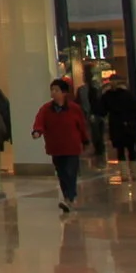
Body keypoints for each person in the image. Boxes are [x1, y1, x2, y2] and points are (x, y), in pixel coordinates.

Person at [30, 79, 90, 215]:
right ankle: (67, 197)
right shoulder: (46, 109)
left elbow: (81, 126)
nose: (53, 92)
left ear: (64, 93)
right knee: (62, 173)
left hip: (72, 147)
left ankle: (70, 198)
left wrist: (85, 141)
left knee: (71, 172)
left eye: (56, 90)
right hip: (56, 147)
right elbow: (39, 122)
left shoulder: (74, 109)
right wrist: (37, 131)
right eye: (52, 90)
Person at [95, 73, 136, 178]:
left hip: (117, 125)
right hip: (127, 124)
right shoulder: (128, 94)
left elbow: (101, 111)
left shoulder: (108, 95)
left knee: (122, 150)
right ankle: (133, 173)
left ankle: (125, 174)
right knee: (130, 149)